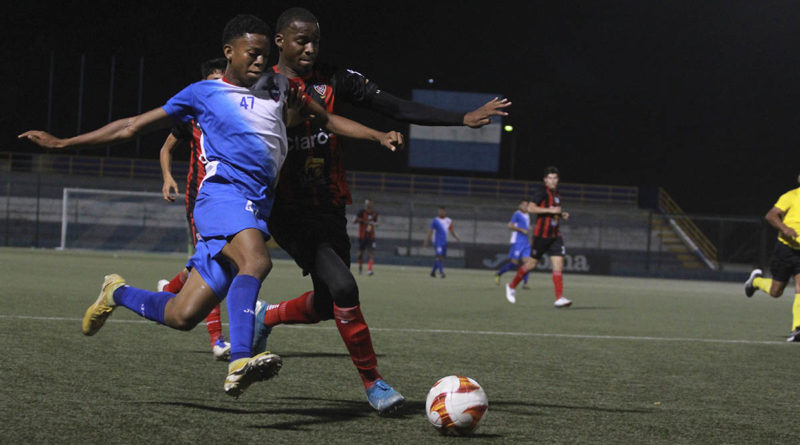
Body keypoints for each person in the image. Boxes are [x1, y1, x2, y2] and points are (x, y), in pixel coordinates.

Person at [18, 13, 402, 397]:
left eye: (264, 54)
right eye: (252, 54)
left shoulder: (279, 87)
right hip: (220, 197)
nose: (259, 61)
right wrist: (63, 144)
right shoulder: (204, 93)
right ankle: (240, 359)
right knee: (256, 261)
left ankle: (115, 292)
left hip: (255, 208)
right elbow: (131, 125)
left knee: (183, 315)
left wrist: (377, 135)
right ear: (228, 52)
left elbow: (327, 120)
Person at [245, 7, 509, 414]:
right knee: (345, 287)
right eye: (302, 41)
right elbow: (279, 127)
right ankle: (375, 383)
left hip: (330, 204)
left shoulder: (335, 79)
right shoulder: (263, 86)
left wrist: (462, 118)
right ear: (280, 41)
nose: (311, 48)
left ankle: (269, 316)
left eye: (316, 40)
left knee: (326, 301)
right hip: (289, 207)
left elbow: (396, 107)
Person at [158, 56, 231, 361]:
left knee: (215, 262)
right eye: (213, 81)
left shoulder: (234, 112)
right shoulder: (192, 116)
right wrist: (167, 178)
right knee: (211, 264)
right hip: (199, 200)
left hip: (226, 200)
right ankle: (217, 339)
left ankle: (169, 289)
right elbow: (165, 148)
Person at [505, 166, 573, 308]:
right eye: (549, 178)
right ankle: (511, 286)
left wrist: (560, 214)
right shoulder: (541, 192)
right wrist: (550, 210)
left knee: (558, 265)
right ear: (545, 179)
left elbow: (553, 211)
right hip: (541, 235)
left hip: (555, 235)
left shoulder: (557, 193)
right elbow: (530, 208)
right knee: (532, 264)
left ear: (558, 179)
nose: (552, 181)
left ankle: (559, 298)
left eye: (554, 178)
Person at [744, 171, 800, 341]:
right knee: (776, 291)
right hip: (785, 250)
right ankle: (755, 281)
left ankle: (797, 329)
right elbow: (771, 215)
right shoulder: (790, 196)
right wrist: (785, 229)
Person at [494, 200, 530, 288]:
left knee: (528, 263)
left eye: (527, 205)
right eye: (523, 205)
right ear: (520, 206)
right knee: (514, 263)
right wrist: (522, 230)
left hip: (525, 242)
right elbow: (510, 226)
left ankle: (525, 283)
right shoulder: (517, 214)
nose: (525, 207)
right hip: (517, 241)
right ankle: (499, 274)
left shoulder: (527, 215)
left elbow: (526, 227)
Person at [424, 206, 460, 278]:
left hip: (444, 241)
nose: (441, 212)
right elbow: (430, 231)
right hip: (437, 241)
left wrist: (456, 237)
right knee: (439, 256)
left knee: (441, 257)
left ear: (445, 212)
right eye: (439, 211)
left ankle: (433, 272)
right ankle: (441, 272)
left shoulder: (449, 221)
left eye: (442, 211)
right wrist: (426, 241)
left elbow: (451, 230)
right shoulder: (435, 220)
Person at [353, 198, 378, 275]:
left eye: (370, 203)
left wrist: (375, 224)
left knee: (371, 253)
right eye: (367, 203)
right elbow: (354, 221)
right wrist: (364, 221)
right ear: (365, 204)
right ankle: (360, 268)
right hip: (362, 236)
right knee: (361, 254)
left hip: (371, 236)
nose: (369, 205)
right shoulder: (361, 212)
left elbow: (376, 223)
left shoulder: (374, 214)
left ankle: (369, 270)